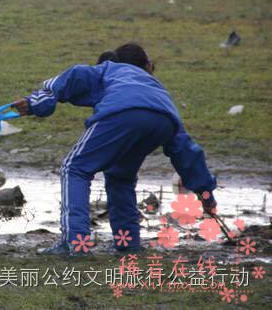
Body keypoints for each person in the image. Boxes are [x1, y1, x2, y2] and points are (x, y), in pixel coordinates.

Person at [12, 43, 216, 254]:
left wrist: (37, 102)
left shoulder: (110, 68)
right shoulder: (157, 89)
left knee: (75, 167)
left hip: (121, 112)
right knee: (121, 176)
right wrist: (205, 193)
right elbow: (186, 151)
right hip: (164, 121)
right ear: (149, 66)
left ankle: (75, 242)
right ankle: (127, 244)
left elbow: (76, 75)